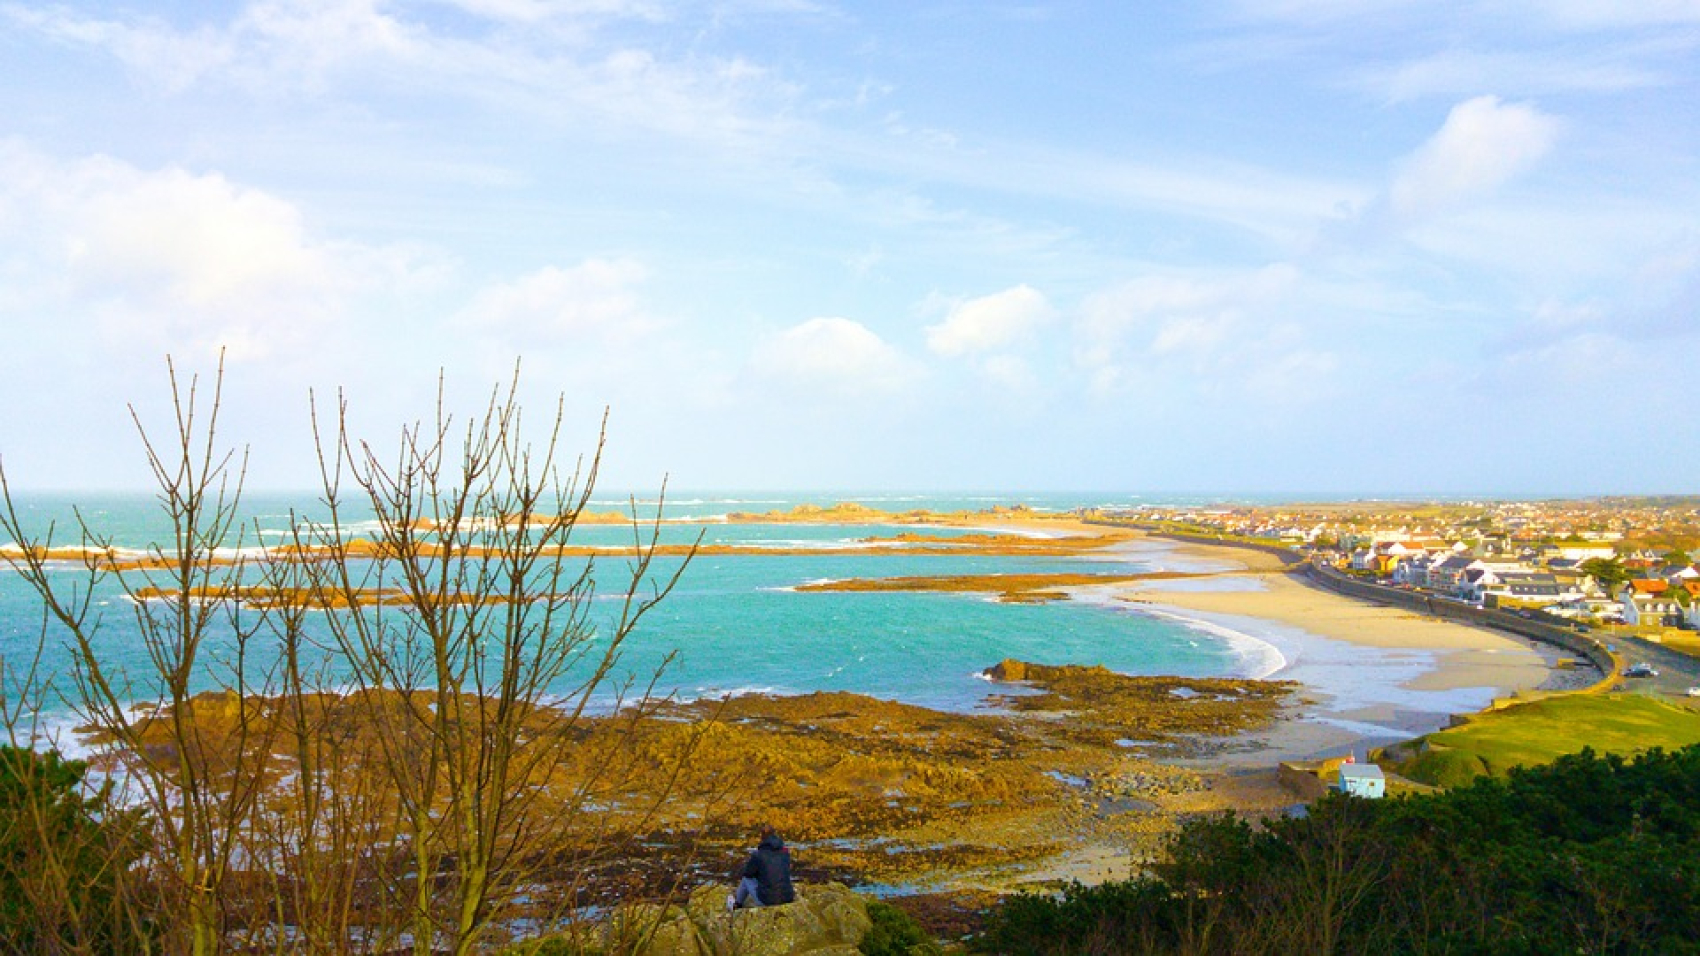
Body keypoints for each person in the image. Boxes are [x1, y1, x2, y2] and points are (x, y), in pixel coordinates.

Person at [731, 826, 795, 910]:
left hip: (767, 900)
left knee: (746, 879)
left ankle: (737, 904)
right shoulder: (785, 851)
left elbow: (748, 873)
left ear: (762, 837)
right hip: (788, 897)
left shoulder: (758, 854)